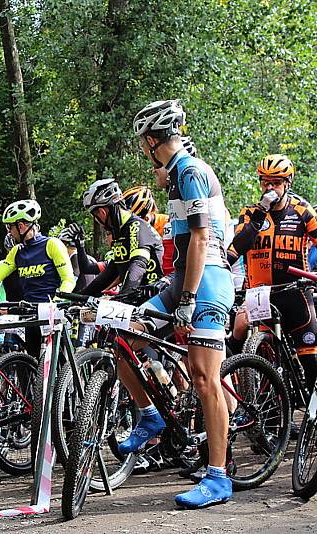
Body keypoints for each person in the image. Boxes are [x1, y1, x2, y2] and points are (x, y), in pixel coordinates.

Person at [131, 99, 234, 508]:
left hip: (207, 280)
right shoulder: (175, 174)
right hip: (182, 279)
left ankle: (218, 477)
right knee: (124, 339)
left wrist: (188, 298)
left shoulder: (189, 172)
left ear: (153, 140)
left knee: (204, 378)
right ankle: (150, 416)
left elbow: (201, 240)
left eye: (143, 141)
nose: (142, 148)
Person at [227, 154, 317, 385]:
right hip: (260, 294)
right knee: (261, 359)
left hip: (295, 292)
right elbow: (236, 248)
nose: (270, 187)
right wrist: (260, 215)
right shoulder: (250, 213)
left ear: (287, 183)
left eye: (275, 182)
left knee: (311, 359)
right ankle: (268, 412)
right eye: (265, 181)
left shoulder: (302, 210)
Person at [0, 199, 75, 359]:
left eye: (10, 227)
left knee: (60, 365)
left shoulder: (52, 244)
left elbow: (68, 279)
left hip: (52, 313)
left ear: (21, 226)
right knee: (32, 362)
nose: (9, 232)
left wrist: (56, 303)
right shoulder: (17, 251)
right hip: (31, 314)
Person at [78, 178, 165, 297]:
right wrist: (79, 297)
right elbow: (110, 273)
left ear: (102, 212)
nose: (97, 221)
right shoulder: (121, 233)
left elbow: (138, 266)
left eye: (95, 216)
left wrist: (122, 299)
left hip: (153, 300)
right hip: (138, 299)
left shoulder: (136, 226)